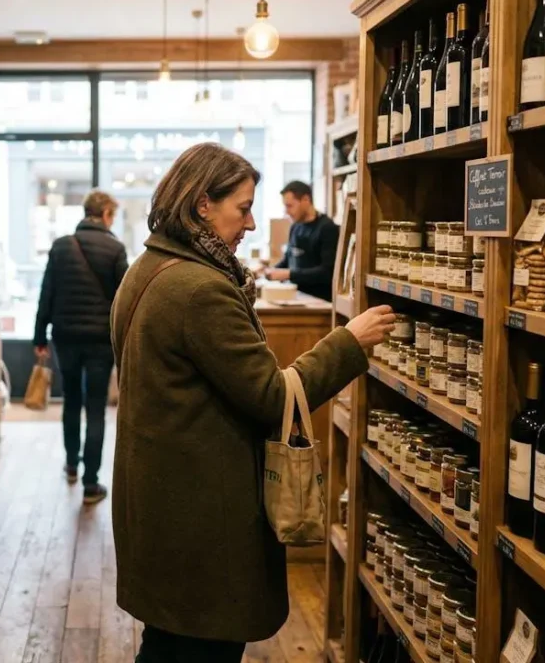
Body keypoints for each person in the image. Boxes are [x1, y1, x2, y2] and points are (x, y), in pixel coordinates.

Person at [110, 143, 393, 661]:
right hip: (200, 513)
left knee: (170, 641)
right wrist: (348, 342)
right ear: (202, 205)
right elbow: (271, 396)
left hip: (159, 497)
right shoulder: (200, 289)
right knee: (201, 648)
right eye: (242, 208)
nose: (253, 225)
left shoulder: (147, 266)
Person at [34, 189, 129, 504]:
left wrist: (39, 336)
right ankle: (91, 483)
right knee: (96, 406)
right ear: (105, 215)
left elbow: (46, 292)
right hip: (101, 340)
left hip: (66, 337)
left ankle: (72, 464)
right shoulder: (115, 249)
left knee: (71, 399)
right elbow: (124, 300)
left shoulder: (61, 246)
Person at [266, 180, 339, 301]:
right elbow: (288, 261)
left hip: (319, 301)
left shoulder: (327, 228)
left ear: (306, 200)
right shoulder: (295, 227)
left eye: (289, 206)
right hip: (295, 296)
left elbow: (327, 272)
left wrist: (288, 274)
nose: (287, 211)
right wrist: (269, 271)